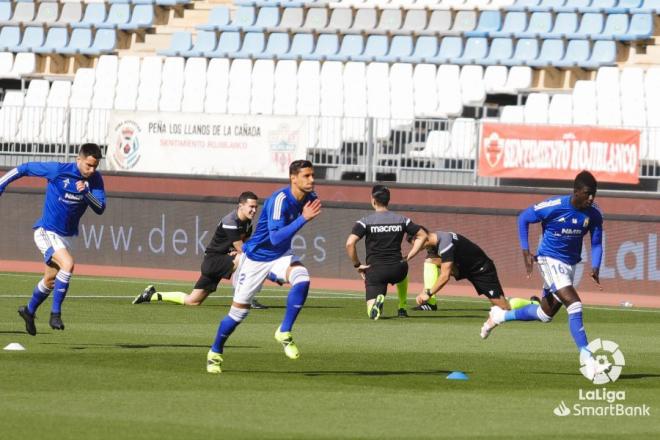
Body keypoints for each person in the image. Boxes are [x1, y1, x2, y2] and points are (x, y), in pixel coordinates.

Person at [481, 170, 605, 379]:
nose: (591, 198)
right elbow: (524, 218)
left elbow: (596, 242)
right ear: (576, 192)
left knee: (544, 314)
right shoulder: (554, 206)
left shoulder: (593, 213)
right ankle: (588, 360)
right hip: (549, 259)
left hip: (569, 265)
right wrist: (525, 250)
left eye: (594, 193)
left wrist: (596, 265)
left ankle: (499, 316)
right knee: (574, 305)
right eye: (587, 193)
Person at [206, 160, 321, 374]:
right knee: (237, 315)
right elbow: (276, 237)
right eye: (307, 176)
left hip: (280, 255)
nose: (312, 179)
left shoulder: (311, 198)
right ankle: (215, 352)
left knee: (302, 278)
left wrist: (303, 217)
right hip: (256, 259)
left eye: (312, 175)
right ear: (293, 178)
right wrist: (303, 218)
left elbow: (280, 242)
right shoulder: (279, 200)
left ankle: (284, 331)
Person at [0, 143, 106, 335]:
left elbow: (100, 208)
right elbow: (24, 168)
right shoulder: (58, 170)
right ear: (78, 160)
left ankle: (29, 311)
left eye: (95, 166)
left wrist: (86, 193)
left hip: (67, 236)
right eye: (88, 165)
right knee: (68, 264)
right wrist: (2, 183)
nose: (91, 170)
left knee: (50, 280)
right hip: (46, 231)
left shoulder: (96, 180)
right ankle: (55, 313)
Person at [132, 191, 269, 309]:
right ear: (241, 206)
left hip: (223, 259)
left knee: (193, 301)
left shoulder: (247, 222)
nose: (254, 210)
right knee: (248, 258)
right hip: (214, 261)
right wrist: (240, 251)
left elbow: (243, 244)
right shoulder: (230, 221)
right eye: (251, 207)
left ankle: (152, 295)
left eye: (256, 207)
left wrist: (237, 250)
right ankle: (246, 299)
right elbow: (243, 249)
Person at [414, 228, 536, 329]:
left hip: (481, 270)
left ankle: (534, 303)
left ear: (423, 238)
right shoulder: (433, 243)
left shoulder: (445, 242)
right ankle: (430, 304)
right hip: (463, 267)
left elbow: (445, 276)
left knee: (504, 308)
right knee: (430, 261)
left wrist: (428, 293)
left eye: (416, 244)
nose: (416, 247)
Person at [346, 185, 427, 320]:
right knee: (403, 271)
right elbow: (423, 236)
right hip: (398, 269)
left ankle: (378, 302)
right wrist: (410, 256)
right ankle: (402, 306)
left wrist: (357, 265)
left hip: (376, 271)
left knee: (371, 312)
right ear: (388, 200)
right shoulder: (402, 220)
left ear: (373, 200)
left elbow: (350, 243)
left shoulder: (365, 222)